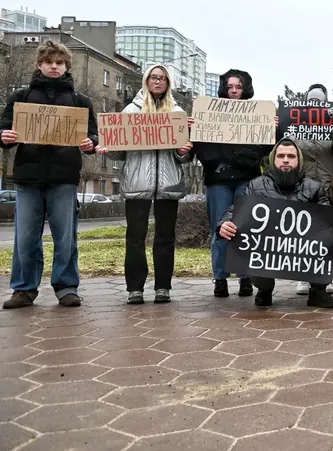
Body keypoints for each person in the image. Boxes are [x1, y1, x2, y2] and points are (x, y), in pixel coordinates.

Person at [0, 41, 98, 309]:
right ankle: (23, 289)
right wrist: (4, 136)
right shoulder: (20, 98)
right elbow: (4, 130)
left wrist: (90, 143)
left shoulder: (81, 102)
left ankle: (66, 287)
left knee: (66, 237)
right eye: (49, 62)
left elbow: (93, 136)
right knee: (25, 238)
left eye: (59, 63)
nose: (54, 67)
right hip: (28, 178)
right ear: (39, 65)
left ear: (66, 66)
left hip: (64, 178)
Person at [98, 65, 193, 305]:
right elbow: (120, 154)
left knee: (165, 238)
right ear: (146, 80)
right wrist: (110, 150)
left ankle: (163, 287)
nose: (158, 82)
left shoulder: (178, 112)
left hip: (168, 185)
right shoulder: (131, 111)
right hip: (137, 182)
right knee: (135, 237)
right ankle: (135, 288)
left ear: (168, 82)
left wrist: (184, 152)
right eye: (154, 77)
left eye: (163, 78)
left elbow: (185, 155)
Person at [218, 137, 333, 308]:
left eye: (291, 156)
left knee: (329, 238)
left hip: (303, 249)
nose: (286, 160)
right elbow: (236, 210)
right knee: (249, 247)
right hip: (267, 251)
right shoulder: (256, 185)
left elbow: (329, 219)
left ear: (299, 160)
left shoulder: (314, 187)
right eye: (281, 156)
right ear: (273, 160)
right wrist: (224, 224)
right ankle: (264, 289)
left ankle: (318, 291)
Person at [191, 69, 274, 299]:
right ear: (224, 89)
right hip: (218, 181)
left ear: (245, 88)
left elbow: (266, 150)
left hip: (247, 180)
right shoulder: (209, 113)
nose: (234, 91)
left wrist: (273, 128)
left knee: (246, 229)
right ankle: (220, 278)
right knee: (220, 229)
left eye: (238, 87)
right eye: (230, 87)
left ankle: (245, 277)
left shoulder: (256, 114)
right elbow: (202, 149)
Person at [289, 83, 333, 296]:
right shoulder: (295, 126)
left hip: (328, 187)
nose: (315, 105)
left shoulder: (332, 124)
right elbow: (283, 150)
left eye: (319, 102)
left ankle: (324, 276)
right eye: (312, 101)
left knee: (327, 235)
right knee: (301, 233)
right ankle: (303, 277)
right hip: (301, 186)